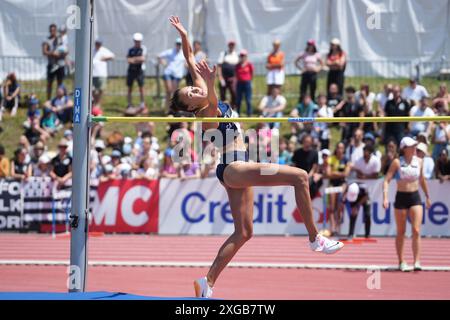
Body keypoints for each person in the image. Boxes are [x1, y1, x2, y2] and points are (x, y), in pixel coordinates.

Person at [168, 16, 343, 298]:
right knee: (300, 176)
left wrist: (185, 35)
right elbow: (212, 103)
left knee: (244, 232)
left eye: (193, 86)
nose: (195, 88)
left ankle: (207, 282)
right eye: (191, 93)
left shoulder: (204, 90)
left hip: (236, 167)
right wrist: (211, 84)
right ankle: (315, 238)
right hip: (234, 166)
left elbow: (189, 58)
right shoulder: (204, 114)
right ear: (190, 106)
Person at [383, 137, 431, 272]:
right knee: (401, 232)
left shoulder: (420, 161)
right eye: (411, 146)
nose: (414, 148)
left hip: (415, 197)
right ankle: (401, 261)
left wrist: (427, 196)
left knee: (416, 230)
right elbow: (386, 180)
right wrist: (385, 197)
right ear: (404, 148)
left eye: (415, 145)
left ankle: (417, 261)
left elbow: (422, 180)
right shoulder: (397, 162)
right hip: (401, 197)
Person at [327, 142, 351, 236]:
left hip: (342, 185)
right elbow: (329, 174)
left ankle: (338, 228)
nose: (340, 150)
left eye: (342, 148)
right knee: (332, 208)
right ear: (336, 149)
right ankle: (332, 228)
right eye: (338, 148)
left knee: (340, 207)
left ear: (344, 149)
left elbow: (347, 173)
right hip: (333, 185)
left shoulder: (346, 159)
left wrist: (335, 173)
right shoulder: (331, 159)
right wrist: (341, 174)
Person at [159, 38, 186, 110]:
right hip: (168, 73)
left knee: (174, 92)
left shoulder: (183, 53)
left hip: (177, 75)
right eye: (177, 44)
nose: (178, 45)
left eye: (180, 44)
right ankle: (168, 108)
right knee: (169, 90)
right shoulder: (170, 51)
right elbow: (159, 56)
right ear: (175, 44)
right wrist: (163, 63)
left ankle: (172, 109)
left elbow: (186, 62)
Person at [42, 24, 66, 100]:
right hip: (51, 65)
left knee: (60, 83)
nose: (53, 32)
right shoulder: (46, 40)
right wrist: (52, 53)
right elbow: (44, 52)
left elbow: (64, 49)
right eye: (51, 30)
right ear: (49, 30)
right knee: (49, 83)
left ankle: (59, 100)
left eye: (54, 30)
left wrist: (62, 53)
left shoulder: (60, 39)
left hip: (60, 65)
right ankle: (48, 100)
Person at [125, 33, 147, 115]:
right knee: (129, 88)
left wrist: (133, 59)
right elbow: (128, 60)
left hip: (139, 71)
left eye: (138, 41)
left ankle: (142, 104)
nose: (137, 43)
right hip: (131, 71)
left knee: (141, 88)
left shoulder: (143, 49)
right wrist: (136, 59)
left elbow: (143, 59)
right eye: (136, 41)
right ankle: (129, 104)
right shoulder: (130, 49)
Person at [92, 39, 115, 105]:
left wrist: (104, 58)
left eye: (99, 44)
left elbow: (112, 56)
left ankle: (98, 103)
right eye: (97, 43)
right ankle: (95, 101)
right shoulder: (92, 50)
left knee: (101, 89)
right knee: (92, 89)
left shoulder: (104, 50)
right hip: (93, 74)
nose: (98, 45)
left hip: (101, 73)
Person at [217, 40, 239, 107]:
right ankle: (223, 108)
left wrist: (236, 77)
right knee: (223, 93)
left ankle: (233, 107)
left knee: (234, 93)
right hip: (224, 77)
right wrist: (220, 77)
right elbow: (219, 66)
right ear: (228, 45)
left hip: (233, 78)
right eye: (230, 45)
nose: (231, 46)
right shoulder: (223, 54)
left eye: (233, 45)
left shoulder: (236, 54)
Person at [235, 50, 254, 116]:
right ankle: (238, 113)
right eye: (241, 56)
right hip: (239, 83)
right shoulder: (237, 65)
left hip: (247, 83)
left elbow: (252, 73)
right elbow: (236, 74)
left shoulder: (249, 64)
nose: (242, 57)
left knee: (248, 100)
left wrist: (249, 80)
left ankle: (249, 114)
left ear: (246, 56)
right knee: (238, 100)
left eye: (244, 56)